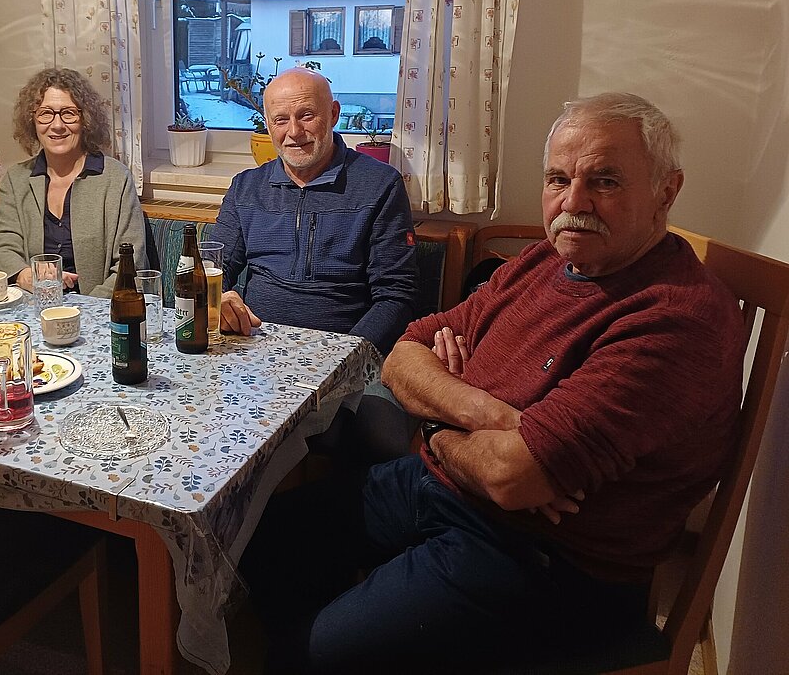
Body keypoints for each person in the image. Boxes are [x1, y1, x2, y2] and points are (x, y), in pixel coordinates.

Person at [246, 93, 745, 672]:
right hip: (446, 489)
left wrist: (435, 423)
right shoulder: (545, 261)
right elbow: (405, 354)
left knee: (309, 655)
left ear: (666, 191)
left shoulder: (674, 319)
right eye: (558, 179)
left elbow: (511, 478)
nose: (574, 202)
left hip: (544, 557)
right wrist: (489, 417)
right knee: (266, 543)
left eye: (605, 181)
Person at [213, 66, 418, 356]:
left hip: (343, 350)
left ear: (333, 114)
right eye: (280, 120)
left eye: (307, 115)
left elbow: (396, 297)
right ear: (268, 125)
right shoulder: (246, 187)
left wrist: (348, 358)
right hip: (252, 345)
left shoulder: (380, 185)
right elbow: (209, 266)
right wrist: (216, 300)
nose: (294, 132)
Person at [0, 67, 147, 298]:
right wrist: (24, 274)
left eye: (69, 113)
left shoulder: (115, 179)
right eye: (45, 114)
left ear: (85, 119)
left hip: (98, 306)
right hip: (33, 303)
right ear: (32, 120)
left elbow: (131, 264)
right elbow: (3, 245)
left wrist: (87, 306)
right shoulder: (16, 179)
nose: (57, 125)